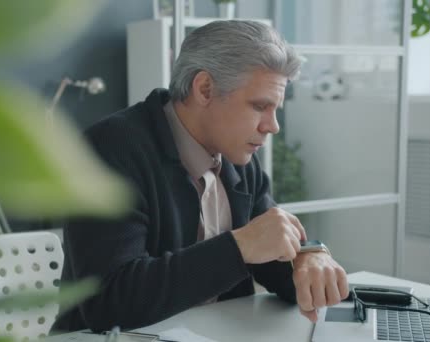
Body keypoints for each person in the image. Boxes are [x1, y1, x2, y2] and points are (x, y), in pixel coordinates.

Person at [54, 20, 349, 333]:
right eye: (260, 106)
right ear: (205, 88)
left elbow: (273, 252)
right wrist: (238, 247)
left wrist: (309, 257)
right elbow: (110, 304)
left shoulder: (239, 156)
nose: (272, 126)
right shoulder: (108, 150)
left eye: (275, 109)